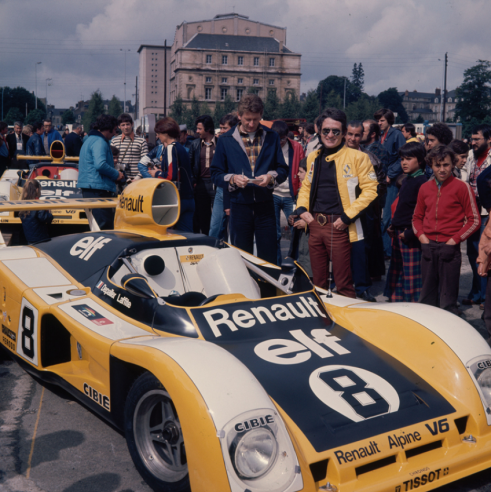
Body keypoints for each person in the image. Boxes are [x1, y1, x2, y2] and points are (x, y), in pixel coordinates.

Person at [296, 108, 377, 297]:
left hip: (340, 226)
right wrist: (301, 210)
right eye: (326, 131)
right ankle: (321, 320)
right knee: (318, 282)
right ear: (319, 131)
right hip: (315, 224)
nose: (330, 135)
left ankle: (346, 322)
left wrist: (347, 217)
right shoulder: (313, 157)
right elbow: (305, 187)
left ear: (343, 133)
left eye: (335, 131)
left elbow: (371, 190)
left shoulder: (359, 157)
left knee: (344, 283)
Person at [211, 94, 288, 264]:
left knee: (268, 256)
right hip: (239, 206)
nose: (252, 124)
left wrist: (270, 177)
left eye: (255, 119)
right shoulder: (225, 139)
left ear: (261, 115)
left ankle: (267, 289)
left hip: (266, 206)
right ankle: (245, 290)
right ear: (239, 116)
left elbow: (282, 169)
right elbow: (215, 173)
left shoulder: (271, 136)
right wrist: (233, 179)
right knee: (241, 256)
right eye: (247, 119)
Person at [413, 145, 480, 314]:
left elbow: (474, 220)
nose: (442, 170)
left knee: (448, 297)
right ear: (431, 165)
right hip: (428, 246)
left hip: (450, 248)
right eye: (437, 165)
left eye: (446, 165)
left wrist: (454, 240)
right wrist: (422, 238)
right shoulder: (424, 188)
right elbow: (416, 218)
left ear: (453, 164)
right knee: (427, 295)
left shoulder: (462, 187)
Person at [345, 120, 385, 300]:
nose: (353, 138)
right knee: (340, 248)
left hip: (365, 210)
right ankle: (342, 285)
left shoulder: (371, 157)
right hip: (340, 210)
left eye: (357, 135)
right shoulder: (336, 155)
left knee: (363, 249)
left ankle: (362, 286)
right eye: (350, 134)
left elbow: (381, 183)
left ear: (362, 136)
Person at [385, 142, 428, 302]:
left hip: (410, 234)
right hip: (398, 232)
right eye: (402, 159)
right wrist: (393, 225)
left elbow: (423, 214)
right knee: (398, 269)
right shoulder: (407, 179)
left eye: (409, 159)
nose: (404, 162)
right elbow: (402, 208)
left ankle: (412, 305)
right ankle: (397, 301)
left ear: (421, 160)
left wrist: (410, 233)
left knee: (411, 274)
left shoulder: (422, 182)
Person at [139, 117, 195, 232]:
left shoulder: (170, 148)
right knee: (187, 236)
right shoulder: (181, 148)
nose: (157, 136)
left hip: (176, 199)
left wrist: (156, 173)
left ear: (166, 133)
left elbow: (170, 176)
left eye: (159, 133)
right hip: (188, 197)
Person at [77, 114, 124, 230]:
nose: (114, 133)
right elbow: (100, 164)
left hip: (90, 186)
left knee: (96, 226)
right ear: (108, 129)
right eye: (114, 130)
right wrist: (116, 174)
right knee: (104, 227)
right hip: (98, 189)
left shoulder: (89, 140)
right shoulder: (100, 142)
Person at [462, 124, 491, 308]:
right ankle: (476, 292)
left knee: (485, 253)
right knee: (472, 253)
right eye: (471, 139)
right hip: (471, 211)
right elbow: (465, 175)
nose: (472, 143)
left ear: (489, 140)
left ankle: (485, 297)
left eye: (476, 139)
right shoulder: (471, 156)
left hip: (486, 212)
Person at [271, 120, 305, 265]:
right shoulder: (268, 146)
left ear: (287, 136)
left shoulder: (296, 147)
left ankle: (298, 265)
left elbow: (303, 171)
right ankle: (276, 266)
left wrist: (301, 193)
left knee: (296, 231)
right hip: (272, 194)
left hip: (291, 196)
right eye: (278, 139)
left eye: (283, 139)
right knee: (274, 233)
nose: (281, 142)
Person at [374, 108, 406, 260]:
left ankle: (387, 251)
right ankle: (382, 247)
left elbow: (402, 157)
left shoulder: (397, 135)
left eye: (382, 120)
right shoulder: (380, 135)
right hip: (379, 180)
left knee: (387, 216)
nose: (379, 123)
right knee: (379, 215)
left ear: (389, 121)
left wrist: (390, 175)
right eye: (378, 120)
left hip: (391, 181)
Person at [209, 114, 239, 240]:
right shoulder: (221, 142)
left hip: (235, 190)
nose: (221, 131)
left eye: (224, 128)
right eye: (220, 128)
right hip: (221, 189)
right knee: (215, 227)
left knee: (234, 230)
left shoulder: (237, 144)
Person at [189, 115, 216, 235]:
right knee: (204, 217)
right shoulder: (195, 145)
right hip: (201, 185)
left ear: (208, 129)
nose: (197, 131)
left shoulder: (220, 143)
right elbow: (190, 165)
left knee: (218, 219)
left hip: (216, 184)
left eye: (200, 129)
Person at [110, 113, 148, 182]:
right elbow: (110, 161)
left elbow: (145, 163)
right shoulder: (114, 141)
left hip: (137, 180)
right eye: (123, 125)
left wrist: (137, 178)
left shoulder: (141, 141)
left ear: (132, 124)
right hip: (119, 179)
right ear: (119, 126)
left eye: (128, 124)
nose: (126, 127)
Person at [19, 180, 53, 244]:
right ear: (37, 190)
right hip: (41, 239)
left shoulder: (23, 204)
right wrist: (49, 214)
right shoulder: (38, 204)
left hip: (29, 238)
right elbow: (43, 218)